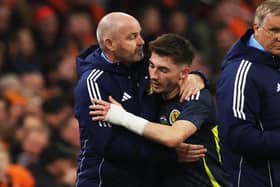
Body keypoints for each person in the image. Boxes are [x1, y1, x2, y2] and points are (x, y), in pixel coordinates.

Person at [74, 12, 206, 187]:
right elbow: (110, 145)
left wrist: (197, 77)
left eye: (140, 34)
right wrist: (169, 154)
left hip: (147, 177)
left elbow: (176, 68)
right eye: (132, 37)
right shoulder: (93, 82)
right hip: (105, 180)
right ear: (110, 44)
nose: (141, 41)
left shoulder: (145, 65)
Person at [90, 33, 231, 187]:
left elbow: (173, 137)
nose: (154, 75)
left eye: (163, 70)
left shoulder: (195, 97)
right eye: (151, 66)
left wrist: (123, 117)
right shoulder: (152, 93)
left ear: (184, 73)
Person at [216, 0, 280, 186]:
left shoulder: (275, 61)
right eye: (274, 30)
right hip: (256, 179)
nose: (279, 37)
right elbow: (238, 135)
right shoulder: (241, 71)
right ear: (256, 28)